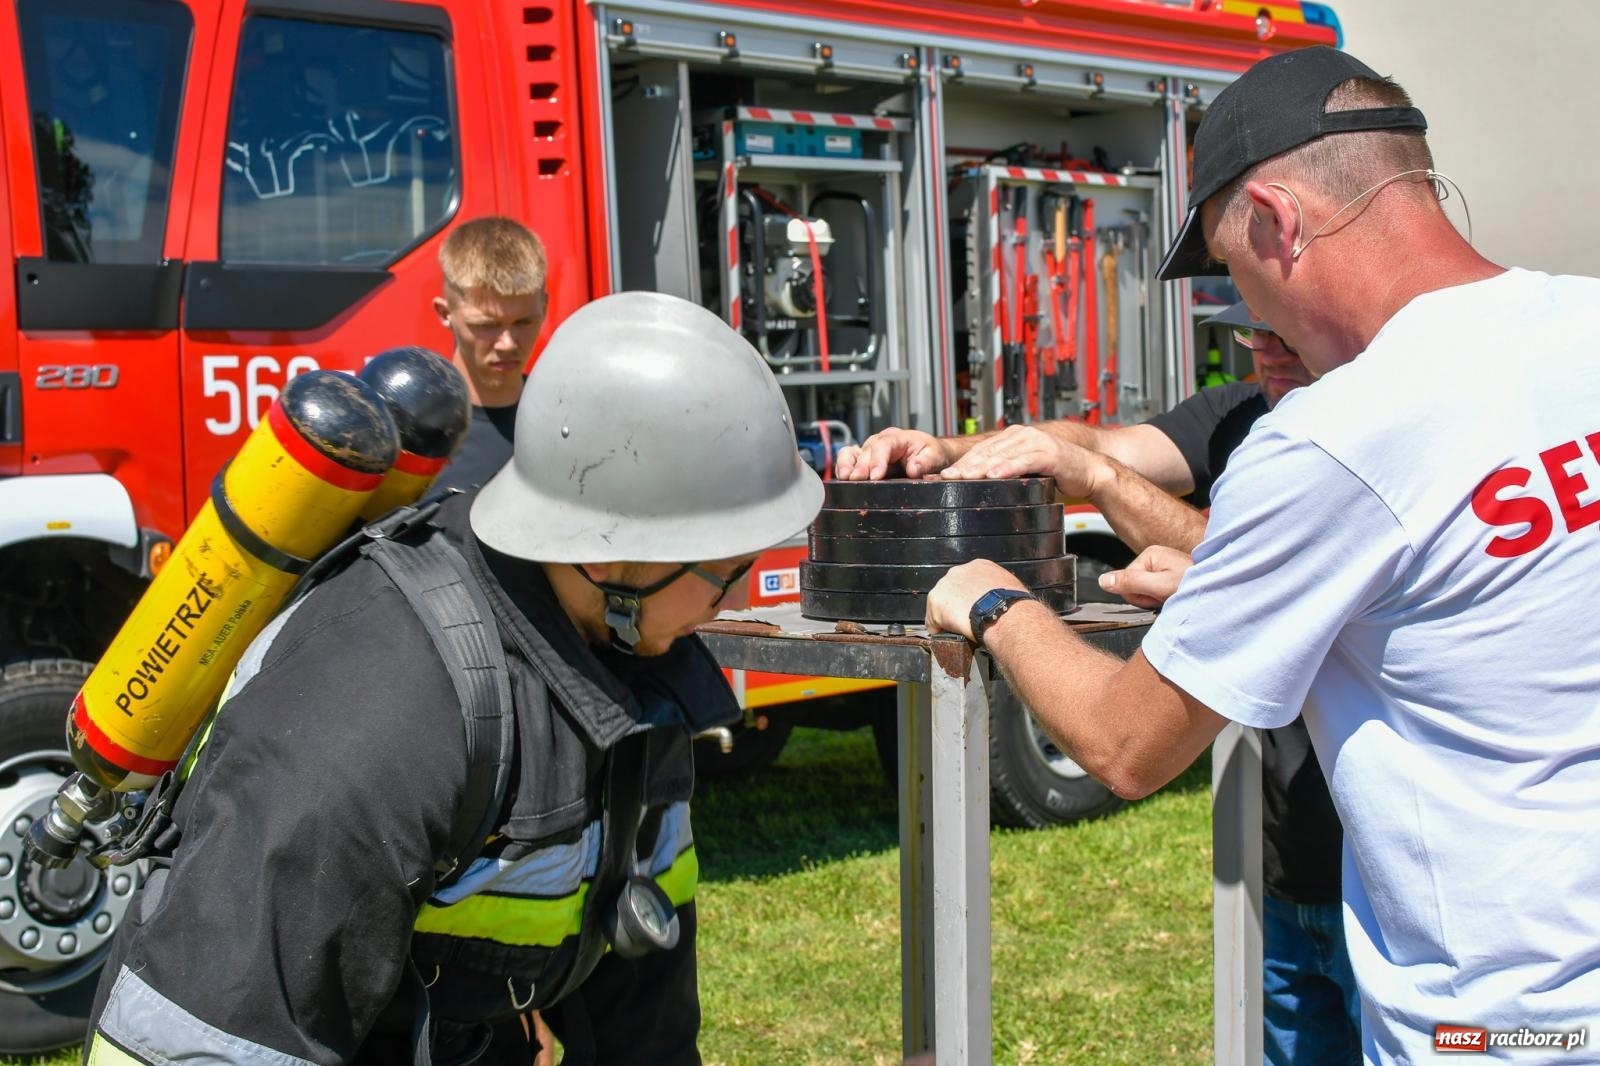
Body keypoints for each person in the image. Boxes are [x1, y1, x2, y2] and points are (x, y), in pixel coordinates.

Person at [914, 45, 1600, 1063]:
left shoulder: (1332, 436)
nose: (1253, 322)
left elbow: (1125, 745)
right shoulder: (1583, 323)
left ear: (1278, 221)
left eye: (1234, 271)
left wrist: (991, 602)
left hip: (1502, 1024)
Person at [82, 291, 824, 1065]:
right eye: (727, 566)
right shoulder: (377, 717)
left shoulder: (636, 665)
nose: (739, 595)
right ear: (604, 553)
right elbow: (219, 1034)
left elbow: (642, 998)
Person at [835, 301, 1358, 1063]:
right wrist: (947, 450)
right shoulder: (1243, 411)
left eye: (1286, 328)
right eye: (1253, 332)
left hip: (1370, 873)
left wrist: (1100, 483)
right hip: (1281, 863)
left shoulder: (1364, 436)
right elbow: (1096, 441)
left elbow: (1252, 569)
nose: (1268, 350)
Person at [430, 215, 549, 494]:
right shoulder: (408, 437)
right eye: (487, 326)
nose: (507, 344)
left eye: (524, 322)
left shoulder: (566, 425)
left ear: (544, 307)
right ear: (445, 314)